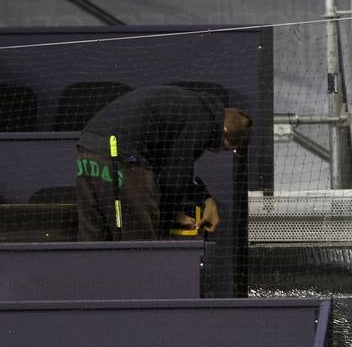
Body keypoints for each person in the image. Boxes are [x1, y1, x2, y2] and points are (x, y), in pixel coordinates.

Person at [75, 84, 252, 241]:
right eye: (226, 147)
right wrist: (169, 218)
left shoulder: (193, 108)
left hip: (88, 148)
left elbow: (173, 167)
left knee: (93, 238)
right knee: (139, 244)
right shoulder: (202, 123)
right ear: (224, 130)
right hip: (122, 154)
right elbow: (174, 176)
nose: (219, 151)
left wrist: (205, 199)